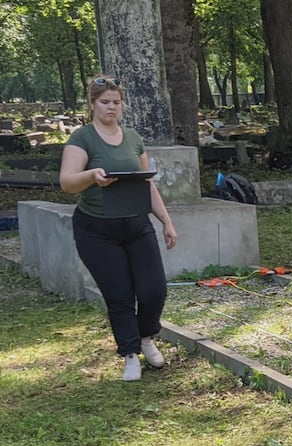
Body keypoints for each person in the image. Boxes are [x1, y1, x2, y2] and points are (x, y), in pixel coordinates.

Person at [60, 75, 178, 382]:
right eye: (105, 102)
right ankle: (129, 355)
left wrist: (165, 221)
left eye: (116, 102)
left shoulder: (132, 137)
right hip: (97, 231)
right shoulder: (82, 138)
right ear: (93, 104)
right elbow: (67, 183)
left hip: (137, 225)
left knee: (153, 290)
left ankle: (147, 337)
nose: (111, 108)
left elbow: (146, 182)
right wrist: (91, 175)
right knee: (120, 295)